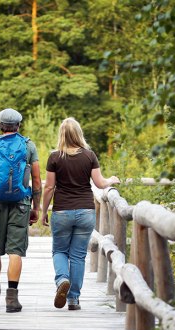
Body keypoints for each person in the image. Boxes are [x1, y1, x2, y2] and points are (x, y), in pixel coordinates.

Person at [41, 117, 119, 310]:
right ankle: (74, 299)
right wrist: (112, 180)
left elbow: (49, 187)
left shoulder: (54, 157)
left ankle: (62, 279)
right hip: (85, 212)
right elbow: (100, 183)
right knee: (77, 256)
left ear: (62, 135)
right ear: (79, 133)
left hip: (62, 212)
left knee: (59, 251)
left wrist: (43, 211)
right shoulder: (89, 155)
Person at [0, 108, 41, 313]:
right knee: (15, 251)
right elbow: (37, 179)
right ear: (19, 125)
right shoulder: (29, 145)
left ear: (0, 125)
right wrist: (36, 207)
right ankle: (12, 299)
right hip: (21, 203)